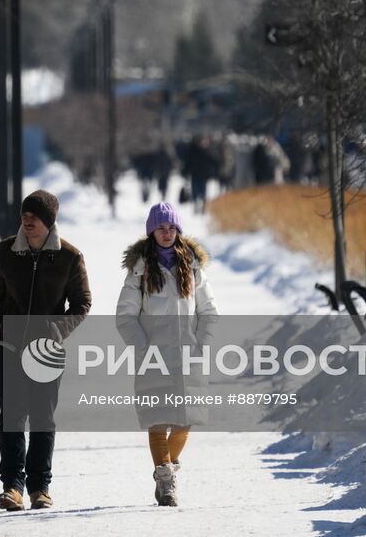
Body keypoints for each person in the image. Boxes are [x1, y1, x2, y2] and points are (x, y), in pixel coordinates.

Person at [0, 190, 91, 512]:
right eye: (24, 215)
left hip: (47, 350)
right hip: (10, 346)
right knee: (12, 419)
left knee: (43, 419)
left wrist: (58, 330)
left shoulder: (69, 257)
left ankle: (40, 488)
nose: (27, 221)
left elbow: (82, 303)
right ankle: (12, 487)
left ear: (49, 220)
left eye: (34, 216)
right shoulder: (5, 252)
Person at [115, 202, 218, 507]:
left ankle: (166, 468)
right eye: (161, 227)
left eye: (172, 227)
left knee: (186, 419)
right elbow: (125, 316)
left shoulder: (192, 266)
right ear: (151, 231)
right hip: (153, 357)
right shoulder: (140, 269)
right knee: (158, 419)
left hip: (188, 356)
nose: (167, 233)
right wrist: (142, 347)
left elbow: (209, 311)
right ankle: (166, 479)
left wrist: (201, 344)